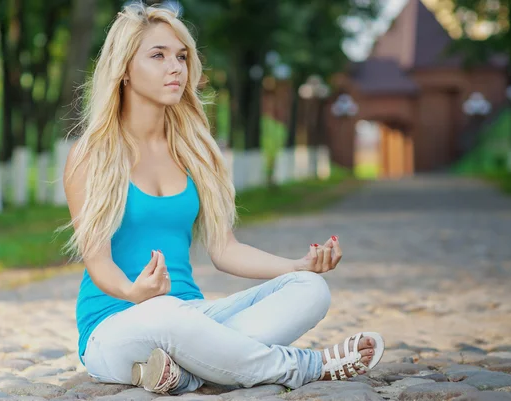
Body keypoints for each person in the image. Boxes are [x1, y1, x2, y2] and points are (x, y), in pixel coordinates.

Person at [61, 3, 385, 396]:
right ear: (125, 69)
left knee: (309, 289)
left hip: (195, 316)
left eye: (181, 56)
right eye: (158, 56)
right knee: (163, 313)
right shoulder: (91, 155)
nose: (175, 67)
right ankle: (305, 365)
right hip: (114, 329)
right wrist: (134, 293)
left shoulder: (197, 151)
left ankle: (189, 373)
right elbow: (98, 264)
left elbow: (225, 249)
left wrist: (298, 265)